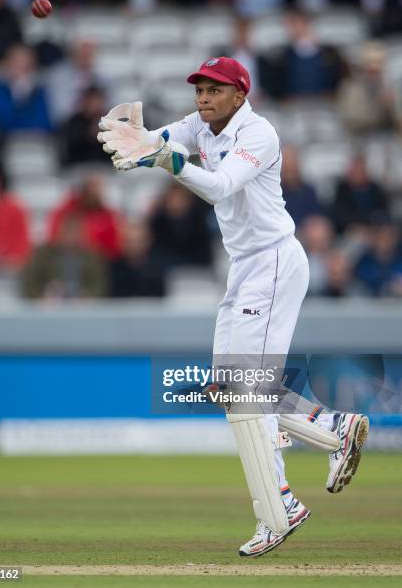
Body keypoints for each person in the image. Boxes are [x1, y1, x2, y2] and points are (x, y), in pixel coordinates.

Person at [97, 57, 369, 557]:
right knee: (230, 388)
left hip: (274, 263)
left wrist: (169, 162)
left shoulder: (259, 134)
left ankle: (279, 506)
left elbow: (219, 186)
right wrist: (141, 135)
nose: (203, 97)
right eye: (199, 88)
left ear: (240, 95)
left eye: (214, 89)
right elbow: (160, 138)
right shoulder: (199, 124)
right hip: (245, 267)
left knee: (247, 393)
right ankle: (333, 428)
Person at [21, 214, 108, 300]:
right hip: (49, 308)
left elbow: (99, 284)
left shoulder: (91, 256)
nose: (71, 237)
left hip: (83, 308)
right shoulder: (43, 255)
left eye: (75, 232)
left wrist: (88, 296)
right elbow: (30, 283)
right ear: (60, 232)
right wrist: (42, 297)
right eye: (68, 231)